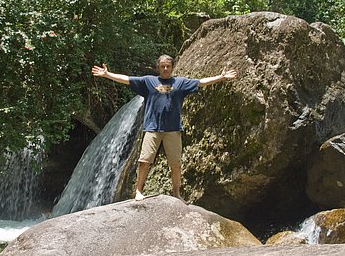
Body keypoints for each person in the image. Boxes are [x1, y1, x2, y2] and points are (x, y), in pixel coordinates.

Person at [91, 55, 237, 202]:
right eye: (162, 66)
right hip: (152, 128)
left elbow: (200, 83)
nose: (165, 68)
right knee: (144, 161)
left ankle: (176, 193)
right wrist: (107, 74)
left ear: (172, 67)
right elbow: (127, 79)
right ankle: (138, 191)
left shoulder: (180, 82)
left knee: (176, 164)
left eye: (168, 66)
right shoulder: (148, 81)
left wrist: (221, 77)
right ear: (158, 68)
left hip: (173, 129)